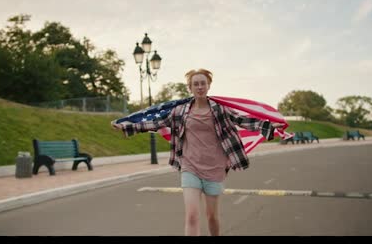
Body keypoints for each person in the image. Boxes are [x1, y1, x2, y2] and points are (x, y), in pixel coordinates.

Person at [111, 68, 284, 236]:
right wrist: (127, 127)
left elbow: (243, 120)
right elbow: (155, 123)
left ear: (209, 86)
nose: (200, 87)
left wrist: (267, 126)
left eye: (203, 83)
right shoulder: (180, 111)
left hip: (215, 168)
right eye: (196, 84)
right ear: (190, 88)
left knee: (211, 217)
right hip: (190, 166)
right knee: (192, 216)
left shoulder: (220, 109)